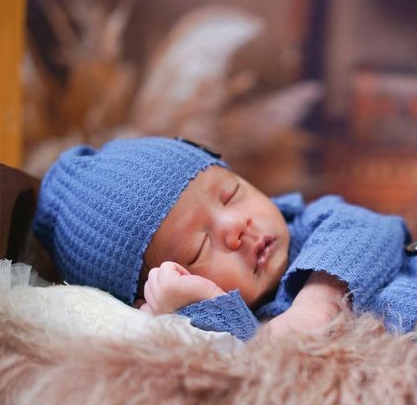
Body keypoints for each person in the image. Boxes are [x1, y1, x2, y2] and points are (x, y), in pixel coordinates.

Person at [33, 136, 417, 342]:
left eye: (232, 193)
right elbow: (251, 355)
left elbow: (374, 229)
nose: (237, 225)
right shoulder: (234, 321)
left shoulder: (311, 223)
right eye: (199, 248)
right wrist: (195, 306)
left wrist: (317, 303)